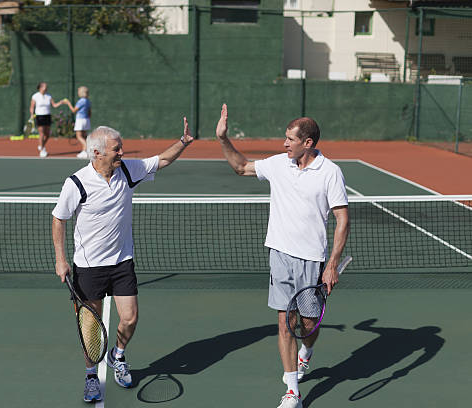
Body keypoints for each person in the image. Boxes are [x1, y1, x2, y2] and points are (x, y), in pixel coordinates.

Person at [215, 104, 350, 408]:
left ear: (308, 143)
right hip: (280, 254)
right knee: (284, 322)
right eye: (285, 138)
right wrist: (223, 139)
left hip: (312, 260)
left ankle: (307, 353)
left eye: (290, 139)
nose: (284, 143)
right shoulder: (278, 164)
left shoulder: (330, 173)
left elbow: (343, 219)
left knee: (308, 323)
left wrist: (331, 266)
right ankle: (292, 391)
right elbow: (241, 167)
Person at [52, 120, 194, 403]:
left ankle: (118, 355)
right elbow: (59, 218)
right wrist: (60, 259)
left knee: (130, 318)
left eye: (121, 148)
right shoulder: (77, 183)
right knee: (90, 328)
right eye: (117, 149)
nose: (122, 152)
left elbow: (162, 160)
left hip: (121, 262)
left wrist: (183, 142)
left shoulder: (128, 170)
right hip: (88, 266)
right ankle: (91, 375)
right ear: (97, 153)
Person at [30, 82, 66, 158]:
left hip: (47, 116)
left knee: (47, 134)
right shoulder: (35, 96)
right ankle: (42, 149)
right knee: (42, 134)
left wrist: (61, 102)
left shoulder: (49, 96)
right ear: (40, 88)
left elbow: (54, 105)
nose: (45, 88)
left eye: (46, 86)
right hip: (39, 116)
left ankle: (41, 145)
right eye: (43, 86)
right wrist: (32, 114)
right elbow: (32, 107)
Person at [64, 86, 92, 159]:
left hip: (80, 120)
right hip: (86, 120)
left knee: (79, 136)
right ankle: (84, 151)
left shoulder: (81, 101)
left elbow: (73, 110)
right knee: (84, 136)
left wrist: (68, 103)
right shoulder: (88, 101)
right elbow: (90, 113)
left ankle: (86, 148)